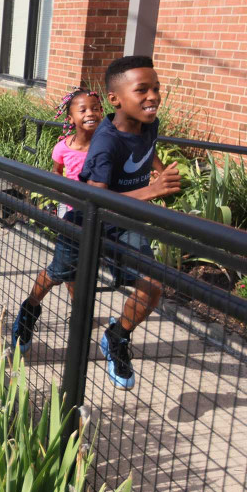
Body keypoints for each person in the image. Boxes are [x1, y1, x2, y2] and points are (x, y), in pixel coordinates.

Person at [82, 55, 180, 390]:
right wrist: (152, 190)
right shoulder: (105, 143)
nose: (153, 96)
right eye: (142, 90)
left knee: (152, 286)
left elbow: (147, 147)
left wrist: (159, 169)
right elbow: (98, 199)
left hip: (128, 223)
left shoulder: (149, 123)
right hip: (95, 224)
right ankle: (30, 311)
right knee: (57, 275)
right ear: (115, 99)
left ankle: (117, 335)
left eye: (156, 88)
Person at [12, 88, 103, 355]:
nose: (91, 113)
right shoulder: (63, 147)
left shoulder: (108, 144)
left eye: (96, 108)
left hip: (99, 215)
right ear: (71, 117)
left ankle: (79, 314)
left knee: (78, 268)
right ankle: (29, 310)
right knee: (61, 269)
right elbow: (57, 175)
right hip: (73, 214)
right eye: (83, 109)